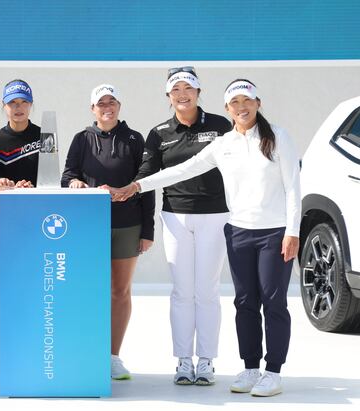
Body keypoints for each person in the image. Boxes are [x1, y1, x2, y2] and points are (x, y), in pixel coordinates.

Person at [108, 79, 300, 397]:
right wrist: (137, 186)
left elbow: (293, 186)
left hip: (274, 232)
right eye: (235, 102)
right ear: (227, 109)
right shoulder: (224, 144)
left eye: (247, 100)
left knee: (274, 302)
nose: (242, 107)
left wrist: (293, 231)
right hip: (238, 231)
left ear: (258, 103)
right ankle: (251, 368)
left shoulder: (278, 137)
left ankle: (273, 372)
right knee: (245, 302)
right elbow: (183, 170)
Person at [135, 67, 232, 385]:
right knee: (181, 291)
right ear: (168, 96)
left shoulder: (220, 125)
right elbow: (147, 174)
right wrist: (122, 189)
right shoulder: (159, 133)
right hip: (175, 216)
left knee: (207, 290)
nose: (182, 94)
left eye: (188, 88)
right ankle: (183, 361)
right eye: (175, 89)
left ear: (198, 92)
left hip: (215, 215)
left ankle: (206, 361)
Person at [61, 84, 155, 380]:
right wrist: (74, 183)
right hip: (90, 225)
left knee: (120, 291)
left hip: (128, 225)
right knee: (89, 289)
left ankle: (113, 357)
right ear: (93, 109)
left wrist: (148, 230)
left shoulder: (134, 139)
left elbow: (146, 184)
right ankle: (89, 353)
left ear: (119, 106)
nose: (107, 107)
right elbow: (67, 175)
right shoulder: (82, 139)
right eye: (101, 103)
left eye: (112, 101)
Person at [0, 79, 41, 251]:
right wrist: (1, 183)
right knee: (8, 266)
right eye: (12, 102)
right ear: (4, 105)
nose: (19, 107)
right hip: (7, 213)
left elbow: (50, 176)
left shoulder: (45, 136)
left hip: (39, 211)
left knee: (38, 266)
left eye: (24, 102)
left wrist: (31, 188)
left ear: (31, 104)